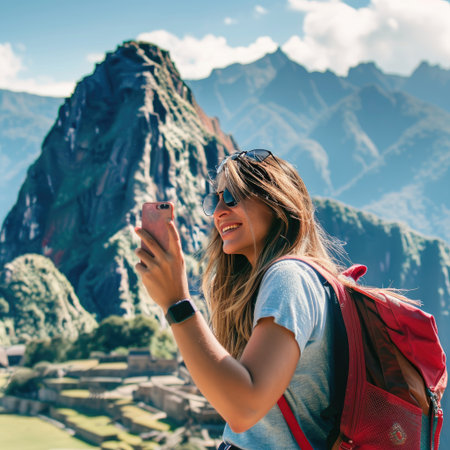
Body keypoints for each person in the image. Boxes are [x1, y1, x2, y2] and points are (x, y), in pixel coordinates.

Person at [134, 149, 344, 449]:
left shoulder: (289, 277)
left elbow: (244, 409)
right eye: (214, 200)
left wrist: (176, 303)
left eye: (232, 196)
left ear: (276, 202)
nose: (219, 211)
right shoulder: (294, 281)